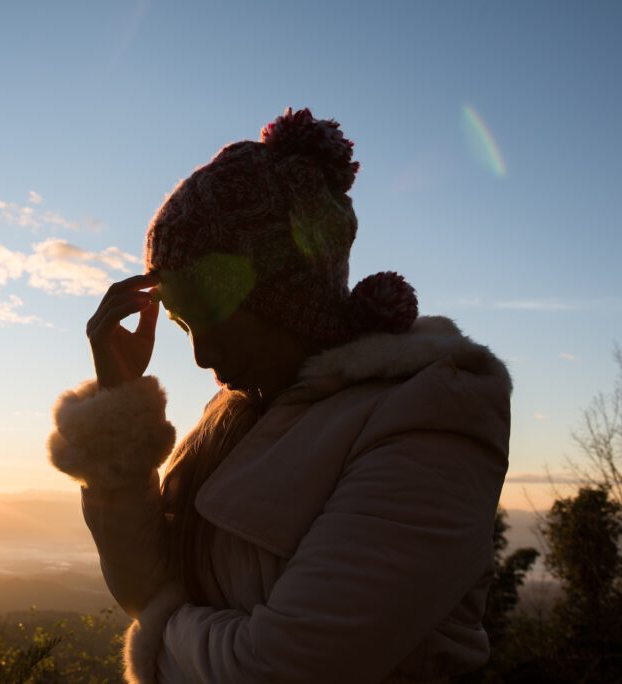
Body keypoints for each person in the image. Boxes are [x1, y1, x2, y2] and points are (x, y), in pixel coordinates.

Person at [47, 107, 511, 683]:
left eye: (212, 316)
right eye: (183, 324)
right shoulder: (235, 414)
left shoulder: (428, 417)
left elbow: (278, 667)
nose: (201, 357)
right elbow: (145, 585)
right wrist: (119, 408)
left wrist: (163, 629)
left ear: (285, 296)